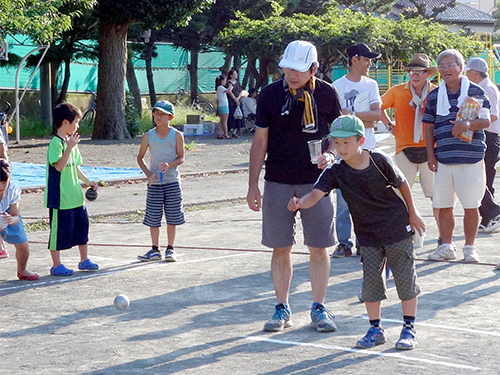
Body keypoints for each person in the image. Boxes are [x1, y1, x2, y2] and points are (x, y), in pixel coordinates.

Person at [288, 115, 425, 350]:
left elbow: (402, 184)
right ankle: (375, 329)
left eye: (346, 142)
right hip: (367, 235)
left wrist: (413, 214)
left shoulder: (379, 160)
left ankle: (408, 327)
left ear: (361, 140)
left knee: (404, 279)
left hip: (396, 228)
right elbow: (315, 195)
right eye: (337, 143)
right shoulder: (335, 172)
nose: (341, 148)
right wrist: (299, 202)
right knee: (371, 283)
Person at [247, 40, 342, 332]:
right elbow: (260, 141)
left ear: (314, 69)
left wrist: (332, 154)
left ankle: (318, 307)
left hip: (317, 182)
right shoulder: (270, 95)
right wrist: (253, 185)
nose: (291, 74)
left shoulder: (327, 93)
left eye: (299, 70)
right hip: (277, 179)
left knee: (319, 246)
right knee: (280, 247)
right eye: (288, 68)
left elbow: (340, 136)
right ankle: (281, 307)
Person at [423, 49, 491, 263]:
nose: (445, 70)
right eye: (442, 66)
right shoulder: (434, 94)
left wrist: (466, 125)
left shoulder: (476, 90)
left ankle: (469, 248)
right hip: (443, 158)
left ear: (461, 67)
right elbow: (428, 126)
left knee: (471, 205)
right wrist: (430, 155)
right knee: (443, 205)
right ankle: (446, 246)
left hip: (470, 158)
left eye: (450, 65)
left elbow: (486, 121)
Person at [381, 53, 442, 244]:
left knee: (436, 196)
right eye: (412, 72)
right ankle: (401, 236)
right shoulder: (397, 91)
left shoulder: (437, 92)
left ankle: (444, 236)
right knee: (399, 195)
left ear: (428, 74)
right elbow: (379, 106)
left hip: (430, 150)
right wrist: (389, 124)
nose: (415, 76)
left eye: (420, 72)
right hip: (404, 149)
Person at [331, 43, 382, 258]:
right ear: (354, 59)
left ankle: (365, 241)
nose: (370, 63)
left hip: (367, 150)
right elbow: (341, 119)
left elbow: (377, 114)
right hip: (344, 152)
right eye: (367, 59)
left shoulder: (371, 85)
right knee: (343, 202)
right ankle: (344, 243)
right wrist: (363, 118)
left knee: (368, 199)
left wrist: (354, 117)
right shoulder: (337, 86)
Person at [45, 102, 99, 276]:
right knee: (58, 233)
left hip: (75, 196)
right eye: (76, 122)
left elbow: (75, 167)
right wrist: (69, 147)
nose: (77, 126)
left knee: (82, 228)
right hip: (60, 198)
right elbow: (59, 167)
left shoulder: (72, 143)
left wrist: (88, 181)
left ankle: (84, 260)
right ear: (66, 123)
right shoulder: (56, 143)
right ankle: (56, 265)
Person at [137, 100, 185, 262]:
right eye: (156, 113)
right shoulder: (148, 136)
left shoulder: (177, 135)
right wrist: (149, 174)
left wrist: (169, 165)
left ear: (170, 117)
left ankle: (170, 248)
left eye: (162, 114)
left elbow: (181, 158)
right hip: (155, 184)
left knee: (172, 217)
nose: (157, 116)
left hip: (172, 181)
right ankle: (154, 249)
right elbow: (140, 158)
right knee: (153, 217)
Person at [464, 57, 500, 234]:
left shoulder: (487, 89)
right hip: (486, 134)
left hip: (489, 136)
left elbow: (492, 115)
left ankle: (493, 212)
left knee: (481, 177)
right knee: (486, 177)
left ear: (475, 73)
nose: (467, 75)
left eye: (468, 72)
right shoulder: (484, 87)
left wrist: (471, 120)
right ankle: (489, 217)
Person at [0, 158, 39, 280]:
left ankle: (22, 270)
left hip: (6, 215)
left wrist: (11, 220)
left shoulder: (13, 189)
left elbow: (16, 215)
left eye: (4, 182)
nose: (1, 186)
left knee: (23, 245)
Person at [226, 69, 244, 138]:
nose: (236, 75)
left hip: (238, 102)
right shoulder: (229, 83)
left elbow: (240, 92)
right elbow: (230, 92)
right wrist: (235, 99)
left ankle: (235, 131)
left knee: (238, 117)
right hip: (231, 102)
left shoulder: (237, 83)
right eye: (235, 74)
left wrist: (238, 98)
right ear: (231, 75)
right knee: (231, 117)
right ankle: (229, 130)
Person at [215, 75, 231, 139]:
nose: (225, 82)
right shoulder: (221, 87)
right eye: (225, 80)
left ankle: (219, 133)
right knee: (225, 121)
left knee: (221, 121)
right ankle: (226, 134)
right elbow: (228, 91)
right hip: (224, 105)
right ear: (222, 81)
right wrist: (230, 86)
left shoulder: (219, 88)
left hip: (221, 105)